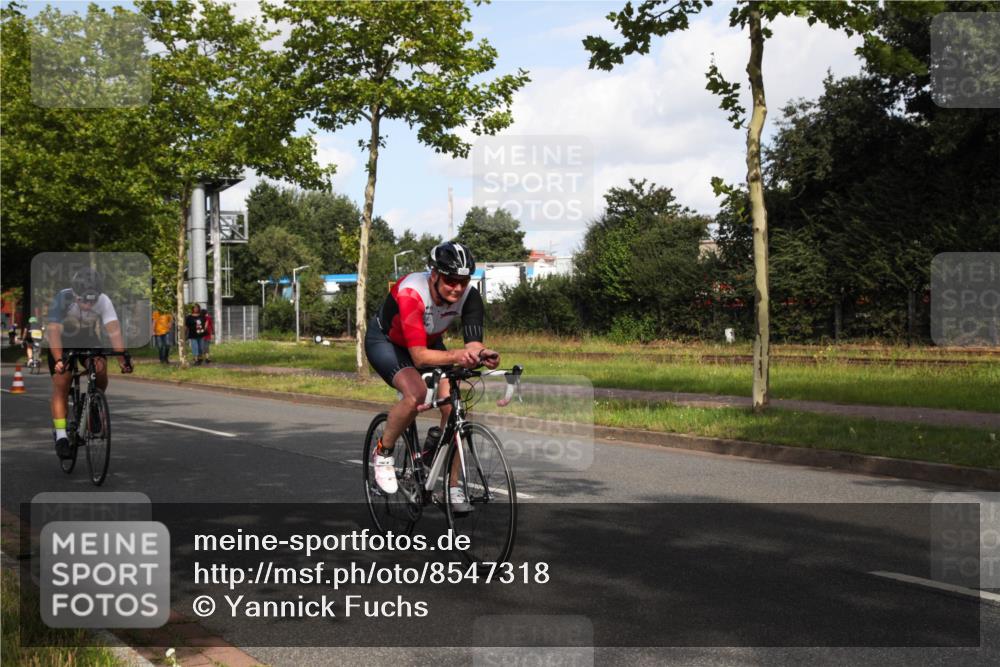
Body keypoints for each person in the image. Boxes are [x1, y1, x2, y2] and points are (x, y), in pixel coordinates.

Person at [364, 241, 499, 512]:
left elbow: (472, 344)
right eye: (450, 280)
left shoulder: (469, 296)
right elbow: (419, 358)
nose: (457, 288)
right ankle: (384, 452)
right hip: (387, 342)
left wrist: (482, 352)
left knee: (456, 407)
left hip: (427, 342)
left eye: (463, 281)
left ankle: (453, 485)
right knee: (415, 393)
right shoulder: (412, 292)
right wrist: (457, 355)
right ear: (434, 274)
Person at [47, 268, 132, 459]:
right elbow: (52, 333)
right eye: (84, 300)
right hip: (62, 340)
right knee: (62, 380)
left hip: (86, 337)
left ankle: (93, 404)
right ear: (75, 294)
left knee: (100, 367)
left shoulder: (104, 300)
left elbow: (114, 331)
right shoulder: (63, 298)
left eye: (92, 300)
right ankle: (61, 436)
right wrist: (60, 360)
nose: (88, 304)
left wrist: (122, 359)